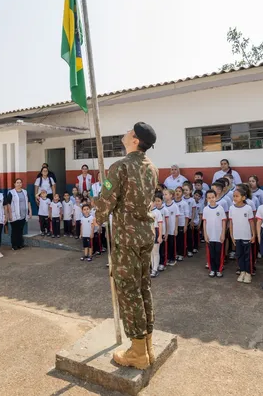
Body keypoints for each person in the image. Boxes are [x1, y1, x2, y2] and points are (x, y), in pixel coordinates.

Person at [93, 121, 158, 370]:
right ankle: (148, 345)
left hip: (127, 238)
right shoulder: (152, 168)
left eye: (130, 131)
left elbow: (106, 201)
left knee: (128, 291)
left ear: (135, 140)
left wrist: (97, 215)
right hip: (144, 235)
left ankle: (138, 353)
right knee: (143, 288)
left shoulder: (119, 166)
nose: (126, 132)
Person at [230, 185, 255, 284]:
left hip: (247, 236)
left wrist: (253, 234)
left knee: (247, 255)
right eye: (234, 196)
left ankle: (248, 273)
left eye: (237, 196)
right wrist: (231, 235)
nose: (235, 198)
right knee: (239, 255)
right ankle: (242, 271)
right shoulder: (232, 208)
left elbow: (251, 222)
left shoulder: (248, 208)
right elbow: (231, 222)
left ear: (243, 197)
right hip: (237, 235)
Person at [203, 189, 227, 278]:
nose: (211, 199)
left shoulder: (220, 208)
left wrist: (223, 234)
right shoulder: (205, 209)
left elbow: (224, 221)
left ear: (216, 197)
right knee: (211, 254)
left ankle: (219, 270)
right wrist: (205, 235)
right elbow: (205, 223)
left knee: (219, 253)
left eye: (213, 197)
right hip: (210, 236)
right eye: (209, 198)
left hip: (218, 236)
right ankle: (212, 269)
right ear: (206, 199)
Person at [5, 178, 31, 250]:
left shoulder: (25, 192)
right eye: (17, 182)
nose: (19, 184)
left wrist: (30, 211)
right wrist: (10, 214)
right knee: (15, 231)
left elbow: (28, 202)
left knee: (20, 230)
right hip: (14, 215)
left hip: (23, 214)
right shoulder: (11, 192)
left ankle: (20, 244)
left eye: (20, 182)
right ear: (14, 184)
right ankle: (14, 245)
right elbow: (8, 204)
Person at [162, 189, 180, 267]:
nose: (164, 196)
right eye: (163, 194)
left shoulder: (174, 206)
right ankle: (167, 258)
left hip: (172, 229)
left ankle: (172, 258)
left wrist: (176, 229)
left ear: (171, 195)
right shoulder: (163, 205)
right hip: (165, 229)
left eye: (166, 194)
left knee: (172, 244)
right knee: (166, 244)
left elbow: (176, 218)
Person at [150, 195, 164, 277]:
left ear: (154, 203)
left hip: (156, 231)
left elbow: (160, 225)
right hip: (149, 232)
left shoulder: (157, 212)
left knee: (155, 251)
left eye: (150, 202)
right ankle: (152, 268)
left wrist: (160, 236)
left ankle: (155, 269)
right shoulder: (146, 212)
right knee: (151, 252)